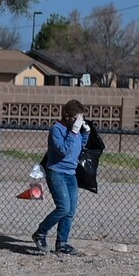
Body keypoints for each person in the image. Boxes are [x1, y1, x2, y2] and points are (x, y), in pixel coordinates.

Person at [32, 100, 87, 256]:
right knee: (63, 208)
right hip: (57, 172)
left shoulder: (73, 131)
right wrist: (74, 132)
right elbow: (63, 150)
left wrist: (86, 133)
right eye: (76, 118)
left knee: (70, 211)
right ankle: (40, 233)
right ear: (67, 116)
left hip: (71, 173)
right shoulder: (57, 129)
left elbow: (78, 146)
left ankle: (62, 243)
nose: (78, 122)